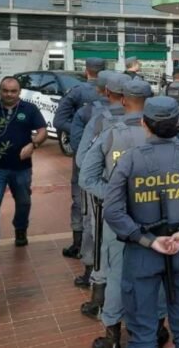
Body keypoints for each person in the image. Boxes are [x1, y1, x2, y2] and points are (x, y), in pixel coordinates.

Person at [103, 96, 179, 346]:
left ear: (144, 123)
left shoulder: (131, 159)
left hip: (142, 251)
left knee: (142, 330)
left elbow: (112, 210)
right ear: (177, 123)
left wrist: (146, 240)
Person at [79, 79, 171, 347]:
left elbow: (87, 176)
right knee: (160, 271)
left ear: (122, 100)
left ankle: (113, 336)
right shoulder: (164, 134)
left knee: (117, 274)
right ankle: (157, 329)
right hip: (159, 215)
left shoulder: (112, 133)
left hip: (119, 219)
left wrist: (116, 197)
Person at [73, 73, 129, 290]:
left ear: (106, 91)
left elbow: (81, 159)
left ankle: (99, 292)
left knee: (99, 239)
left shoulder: (97, 118)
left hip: (102, 193)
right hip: (137, 194)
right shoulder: (143, 120)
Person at [0, 77, 47, 265]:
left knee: (23, 202)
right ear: (0, 90)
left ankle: (20, 228)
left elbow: (42, 130)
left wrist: (34, 144)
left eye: (13, 91)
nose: (9, 94)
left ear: (19, 92)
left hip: (21, 168)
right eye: (5, 90)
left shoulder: (29, 109)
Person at [55, 57, 105, 260]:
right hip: (110, 149)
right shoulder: (118, 93)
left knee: (79, 197)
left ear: (86, 71)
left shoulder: (77, 92)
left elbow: (59, 120)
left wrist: (80, 132)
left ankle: (79, 245)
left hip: (83, 153)